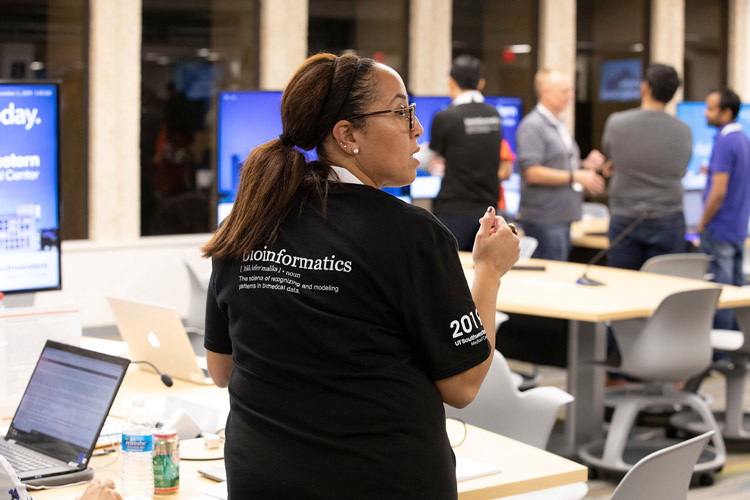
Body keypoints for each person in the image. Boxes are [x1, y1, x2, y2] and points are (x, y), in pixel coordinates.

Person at [201, 53, 519, 500]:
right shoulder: (410, 234)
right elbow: (463, 384)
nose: (417, 129)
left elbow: (221, 368)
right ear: (347, 135)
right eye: (401, 112)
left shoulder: (249, 220)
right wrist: (489, 270)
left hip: (261, 480)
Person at [601, 63, 693, 270]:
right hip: (668, 216)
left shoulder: (617, 123)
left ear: (645, 87)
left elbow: (611, 158)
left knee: (623, 284)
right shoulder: (684, 130)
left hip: (626, 215)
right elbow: (681, 169)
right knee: (666, 284)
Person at [516, 68, 605, 261]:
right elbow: (532, 172)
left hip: (562, 216)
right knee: (551, 278)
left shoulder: (558, 123)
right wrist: (575, 176)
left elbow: (555, 163)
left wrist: (583, 164)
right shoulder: (533, 126)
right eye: (564, 91)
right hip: (545, 218)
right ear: (545, 92)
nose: (571, 96)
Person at [429, 55, 504, 251]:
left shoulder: (445, 117)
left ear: (451, 81)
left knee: (451, 272)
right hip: (489, 210)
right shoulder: (494, 115)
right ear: (481, 83)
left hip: (454, 210)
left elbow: (431, 158)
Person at [699, 88, 750, 329]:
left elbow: (719, 192)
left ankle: (721, 354)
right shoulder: (742, 139)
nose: (705, 113)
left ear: (726, 112)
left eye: (710, 108)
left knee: (719, 295)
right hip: (738, 228)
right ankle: (736, 351)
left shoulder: (724, 142)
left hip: (719, 229)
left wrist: (702, 223)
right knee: (736, 292)